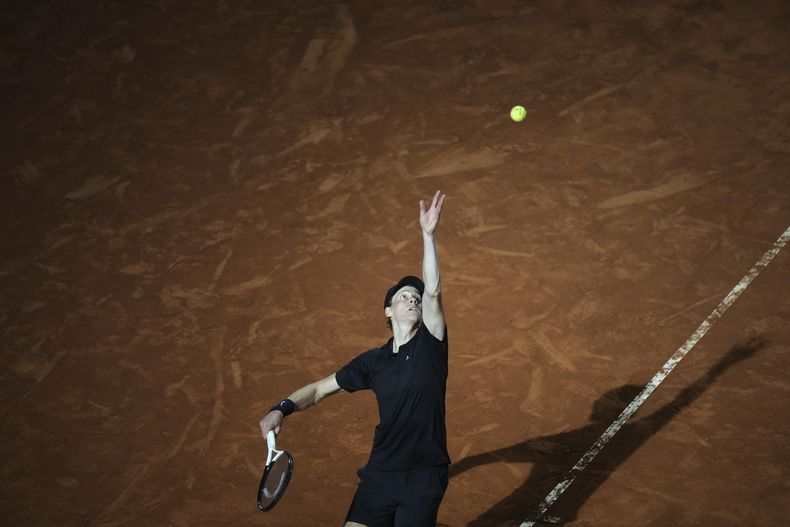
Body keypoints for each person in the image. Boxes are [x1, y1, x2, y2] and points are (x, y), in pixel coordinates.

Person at [259, 190, 450, 527]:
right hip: (380, 473)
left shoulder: (431, 346)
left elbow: (433, 290)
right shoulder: (373, 362)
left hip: (423, 477)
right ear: (388, 311)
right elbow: (319, 390)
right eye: (404, 296)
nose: (413, 300)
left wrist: (427, 235)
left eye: (416, 298)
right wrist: (281, 408)